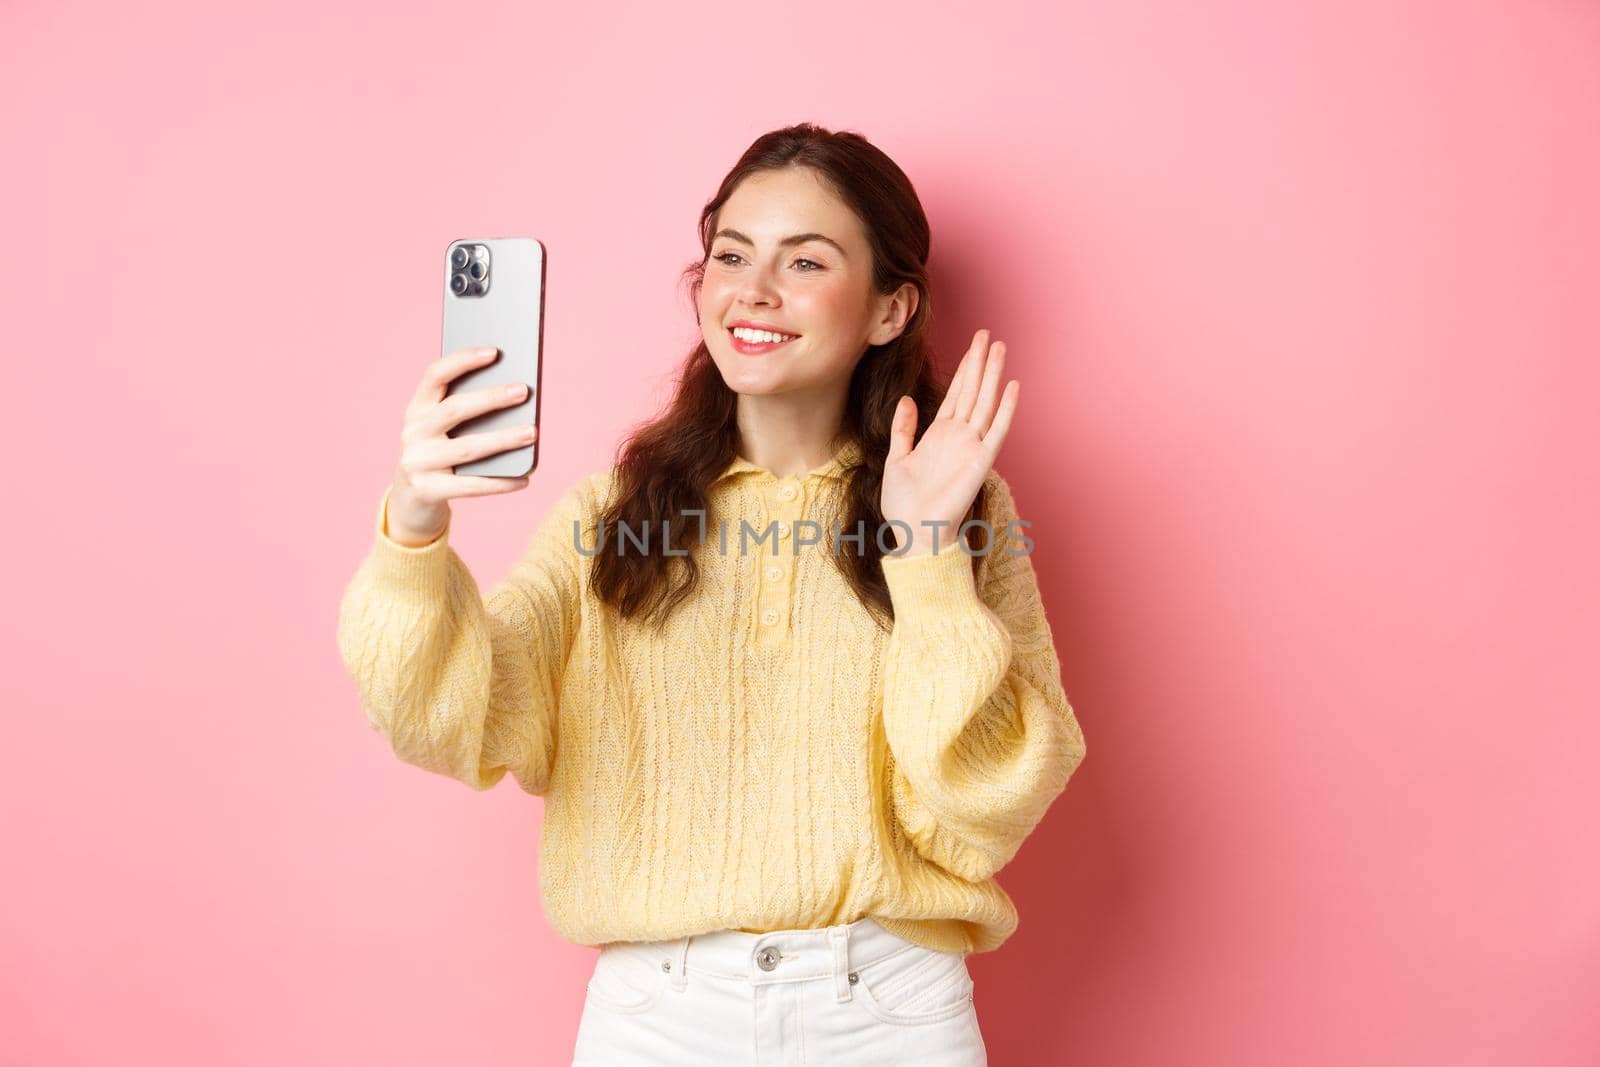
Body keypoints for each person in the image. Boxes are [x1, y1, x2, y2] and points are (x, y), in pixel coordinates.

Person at [336, 122, 1087, 1066]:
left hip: (890, 1011)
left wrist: (926, 552)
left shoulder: (963, 507)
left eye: (805, 260)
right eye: (730, 255)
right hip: (658, 1018)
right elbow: (456, 718)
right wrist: (414, 522)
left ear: (891, 309)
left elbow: (991, 803)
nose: (753, 291)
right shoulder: (612, 514)